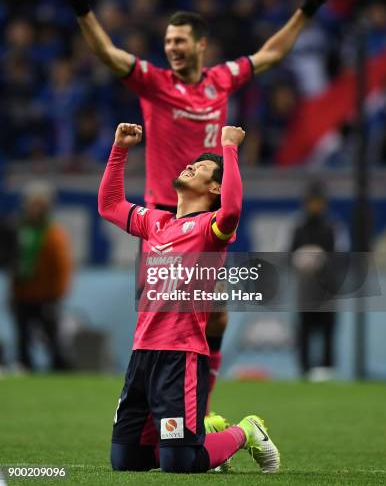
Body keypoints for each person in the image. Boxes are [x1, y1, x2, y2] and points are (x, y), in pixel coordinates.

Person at [67, 0, 326, 403]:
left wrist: (305, 12)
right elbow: (108, 54)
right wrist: (84, 13)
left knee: (216, 316)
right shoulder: (154, 81)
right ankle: (156, 410)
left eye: (181, 40)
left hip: (207, 216)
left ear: (201, 44)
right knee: (166, 317)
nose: (172, 47)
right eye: (168, 41)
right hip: (164, 217)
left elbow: (272, 53)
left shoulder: (221, 80)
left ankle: (199, 404)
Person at [98, 122, 280, 473]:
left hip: (180, 358)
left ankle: (245, 431)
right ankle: (197, 434)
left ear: (215, 187)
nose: (190, 165)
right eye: (192, 163)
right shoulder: (155, 223)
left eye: (201, 168)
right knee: (126, 461)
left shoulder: (210, 230)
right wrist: (119, 149)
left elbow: (231, 211)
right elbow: (109, 205)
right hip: (142, 355)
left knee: (180, 463)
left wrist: (229, 147)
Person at [7, 182, 72, 370]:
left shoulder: (53, 233)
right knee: (22, 336)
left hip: (46, 296)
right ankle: (24, 366)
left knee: (52, 337)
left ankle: (59, 368)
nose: (33, 209)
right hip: (22, 294)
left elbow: (62, 266)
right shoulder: (17, 229)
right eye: (30, 204)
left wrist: (57, 294)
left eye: (38, 205)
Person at [290, 179, 339, 380]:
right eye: (312, 201)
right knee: (305, 330)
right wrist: (301, 260)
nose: (315, 205)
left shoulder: (330, 228)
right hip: (305, 289)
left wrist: (322, 262)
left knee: (327, 329)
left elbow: (338, 257)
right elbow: (289, 255)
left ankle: (327, 370)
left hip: (326, 289)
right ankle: (305, 370)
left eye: (318, 201)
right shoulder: (299, 228)